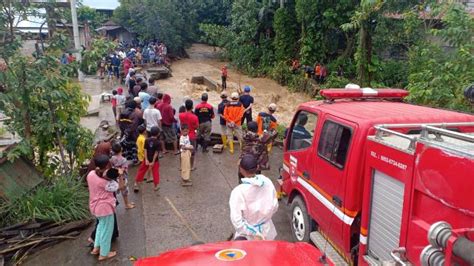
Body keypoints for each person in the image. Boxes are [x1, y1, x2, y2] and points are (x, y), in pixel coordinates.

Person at [229, 154, 279, 241]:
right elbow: (275, 206)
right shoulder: (267, 181)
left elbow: (237, 222)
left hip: (248, 237)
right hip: (267, 232)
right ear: (257, 167)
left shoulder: (238, 192)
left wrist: (255, 233)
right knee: (268, 254)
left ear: (241, 170)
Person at [87, 155, 118, 261]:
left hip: (94, 207)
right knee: (107, 230)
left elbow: (98, 175)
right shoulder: (105, 182)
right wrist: (119, 174)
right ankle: (104, 253)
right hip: (105, 209)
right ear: (107, 166)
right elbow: (117, 187)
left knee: (100, 227)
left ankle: (96, 248)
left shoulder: (91, 174)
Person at [134, 126, 161, 192]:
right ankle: (156, 186)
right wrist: (153, 162)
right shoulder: (158, 142)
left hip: (146, 159)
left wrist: (146, 159)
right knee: (155, 172)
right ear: (158, 134)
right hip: (155, 161)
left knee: (141, 171)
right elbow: (156, 153)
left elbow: (145, 150)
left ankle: (136, 184)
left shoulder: (147, 140)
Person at [110, 143, 135, 209]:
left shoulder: (112, 158)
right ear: (121, 149)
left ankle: (115, 204)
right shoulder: (123, 159)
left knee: (115, 192)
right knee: (124, 192)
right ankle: (127, 204)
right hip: (122, 177)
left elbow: (112, 167)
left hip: (115, 178)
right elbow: (124, 169)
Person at [179, 100, 199, 169]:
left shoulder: (181, 115)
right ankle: (191, 166)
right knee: (192, 152)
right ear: (192, 107)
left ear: (185, 107)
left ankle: (182, 166)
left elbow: (181, 124)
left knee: (182, 151)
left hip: (183, 136)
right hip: (191, 136)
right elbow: (196, 127)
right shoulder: (195, 117)